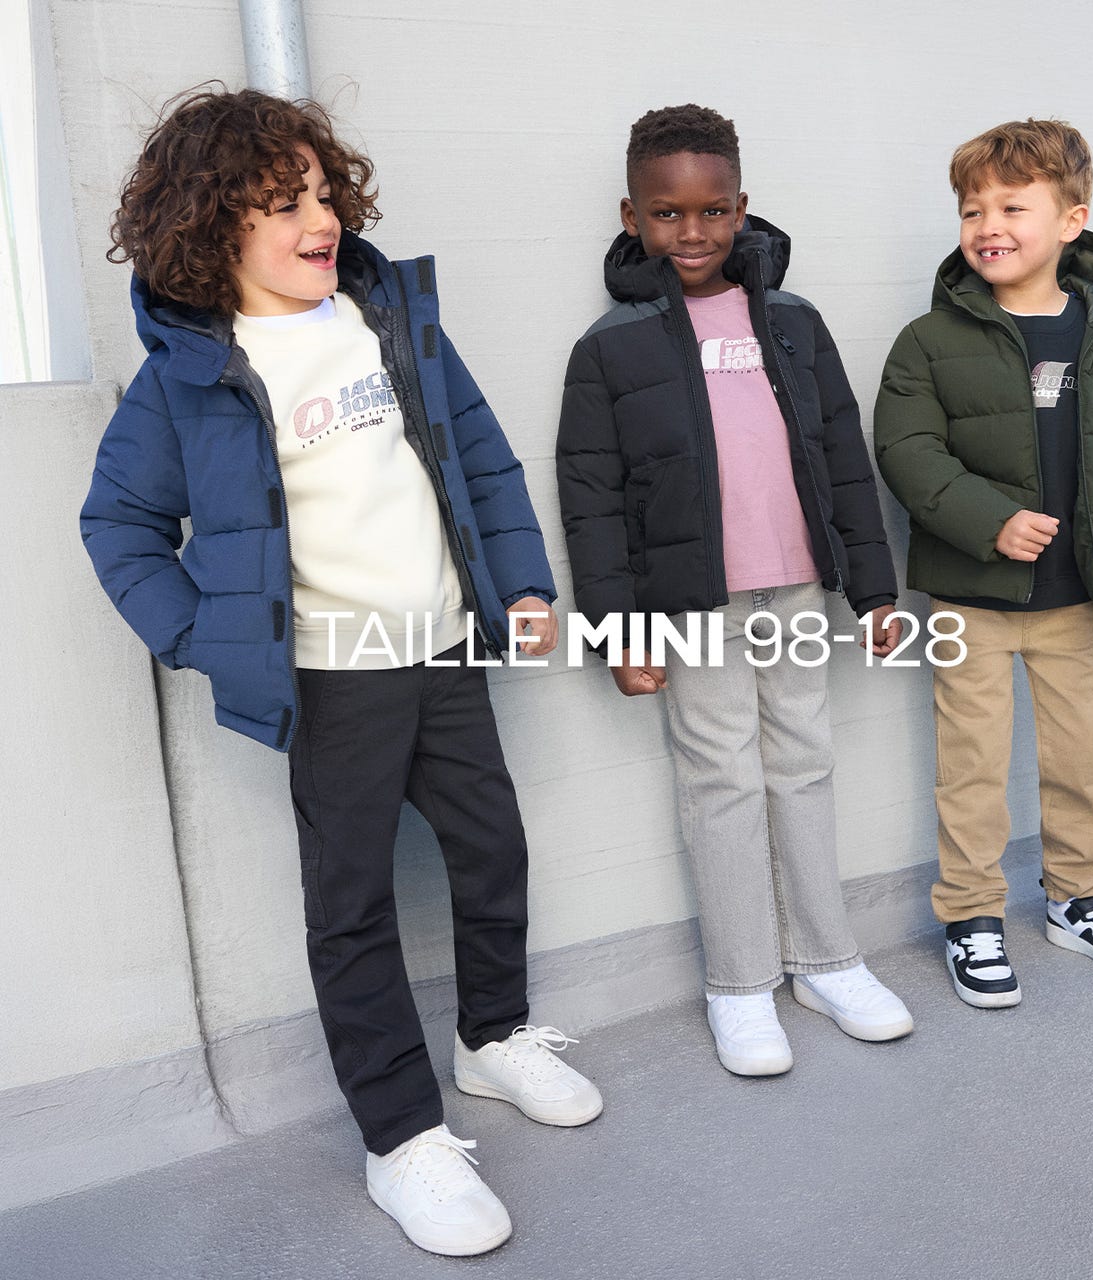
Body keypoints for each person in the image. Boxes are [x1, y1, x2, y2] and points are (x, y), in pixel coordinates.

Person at [80, 86, 601, 1258]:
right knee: (353, 905)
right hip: (332, 679)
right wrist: (205, 635)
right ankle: (400, 1135)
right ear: (212, 227)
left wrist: (521, 585)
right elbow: (119, 525)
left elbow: (480, 455)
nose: (319, 219)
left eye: (322, 194)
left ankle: (493, 1034)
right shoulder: (186, 379)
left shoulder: (388, 321)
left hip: (442, 649)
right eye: (283, 203)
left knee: (492, 849)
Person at [556, 104, 913, 1078]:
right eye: (667, 213)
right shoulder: (610, 346)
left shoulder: (792, 322)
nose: (692, 231)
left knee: (804, 764)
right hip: (692, 604)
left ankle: (827, 962)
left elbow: (842, 456)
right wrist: (618, 630)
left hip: (794, 590)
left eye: (712, 211)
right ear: (632, 215)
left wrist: (874, 591)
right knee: (722, 782)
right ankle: (740, 983)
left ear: (741, 208)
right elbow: (592, 501)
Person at [874, 118, 1093, 1009]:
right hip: (971, 597)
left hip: (1074, 597)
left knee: (1079, 756)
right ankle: (972, 915)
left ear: (1071, 221)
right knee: (970, 764)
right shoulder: (928, 341)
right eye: (973, 210)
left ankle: (1079, 900)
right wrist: (992, 522)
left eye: (1013, 207)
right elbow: (906, 449)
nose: (988, 226)